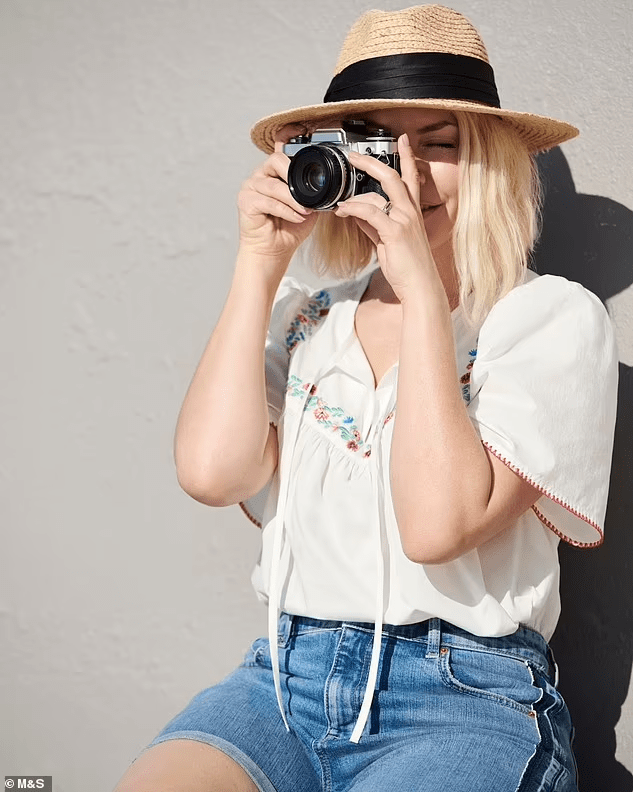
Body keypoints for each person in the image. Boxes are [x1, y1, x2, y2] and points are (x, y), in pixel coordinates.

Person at [113, 5, 618, 791]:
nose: (404, 176)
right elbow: (213, 474)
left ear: (488, 162)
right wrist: (260, 262)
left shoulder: (547, 319)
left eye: (439, 144)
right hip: (281, 678)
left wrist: (421, 295)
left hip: (464, 696)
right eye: (376, 146)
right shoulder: (308, 316)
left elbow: (436, 526)